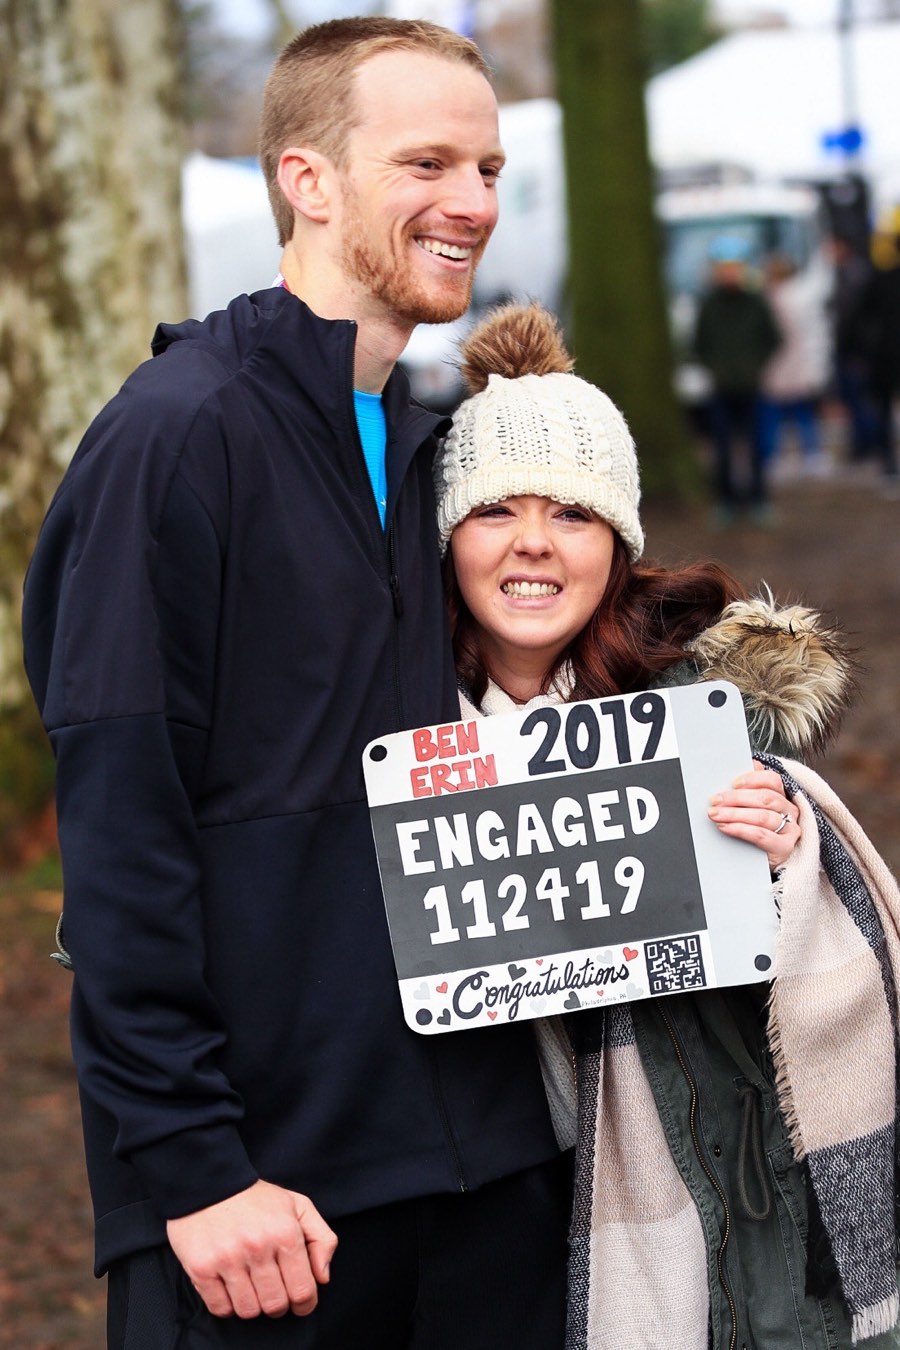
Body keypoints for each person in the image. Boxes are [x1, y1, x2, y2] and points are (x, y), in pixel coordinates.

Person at [21, 21, 572, 1350]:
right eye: (428, 160)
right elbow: (120, 828)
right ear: (306, 180)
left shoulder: (460, 453)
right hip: (267, 1206)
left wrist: (742, 812)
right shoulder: (175, 435)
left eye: (489, 166)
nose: (474, 202)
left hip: (495, 1182)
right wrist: (192, 1165)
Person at [432, 301, 900, 1349]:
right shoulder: (400, 753)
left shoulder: (700, 724)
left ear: (619, 542)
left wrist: (787, 862)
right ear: (449, 533)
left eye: (575, 515)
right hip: (513, 1229)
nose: (535, 546)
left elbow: (823, 975)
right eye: (497, 510)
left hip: (746, 1210)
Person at [693, 235, 782, 526]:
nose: (729, 273)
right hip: (720, 389)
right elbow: (699, 343)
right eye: (724, 267)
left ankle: (758, 500)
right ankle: (726, 501)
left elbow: (773, 339)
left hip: (753, 388)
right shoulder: (709, 305)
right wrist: (716, 367)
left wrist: (754, 366)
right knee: (722, 448)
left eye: (735, 267)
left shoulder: (756, 303)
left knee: (757, 446)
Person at [758, 253, 831, 476]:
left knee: (774, 417)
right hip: (794, 367)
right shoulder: (800, 298)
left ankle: (773, 457)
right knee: (802, 414)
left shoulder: (769, 300)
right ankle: (811, 454)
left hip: (777, 367)